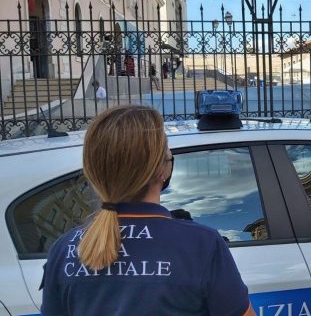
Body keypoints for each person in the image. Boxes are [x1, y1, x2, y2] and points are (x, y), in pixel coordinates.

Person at [41, 106, 254, 316]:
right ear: (161, 170)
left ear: (96, 171)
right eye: (166, 147)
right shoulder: (202, 245)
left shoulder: (63, 249)